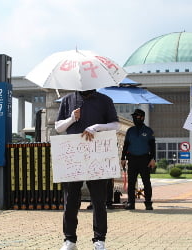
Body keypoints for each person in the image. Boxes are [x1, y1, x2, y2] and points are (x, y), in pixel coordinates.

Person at [55, 89, 119, 250]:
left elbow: (115, 125)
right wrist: (71, 119)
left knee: (99, 201)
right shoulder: (68, 99)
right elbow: (58, 127)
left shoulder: (105, 100)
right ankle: (69, 240)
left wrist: (96, 127)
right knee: (70, 200)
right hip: (73, 156)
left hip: (97, 154)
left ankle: (99, 240)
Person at [120, 109, 155, 210]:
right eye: (134, 116)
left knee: (146, 182)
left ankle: (148, 203)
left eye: (137, 116)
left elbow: (152, 146)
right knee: (131, 182)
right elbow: (126, 145)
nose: (135, 118)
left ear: (143, 117)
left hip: (145, 159)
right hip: (132, 159)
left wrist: (153, 159)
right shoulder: (130, 131)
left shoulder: (148, 131)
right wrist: (123, 158)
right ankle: (131, 203)